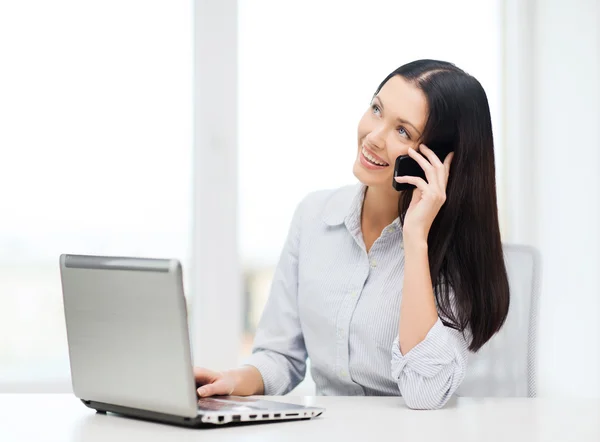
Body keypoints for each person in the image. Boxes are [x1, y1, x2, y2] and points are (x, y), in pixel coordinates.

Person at [194, 59, 510, 410]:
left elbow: (425, 393)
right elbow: (281, 355)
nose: (373, 137)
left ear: (436, 159)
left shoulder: (451, 251)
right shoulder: (314, 216)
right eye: (376, 109)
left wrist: (416, 238)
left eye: (402, 131)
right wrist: (232, 381)